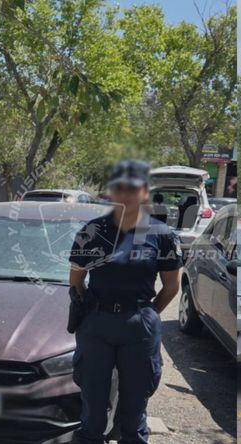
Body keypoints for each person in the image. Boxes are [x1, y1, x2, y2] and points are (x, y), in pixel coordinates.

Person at [68, 160, 183, 444]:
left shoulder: (161, 235)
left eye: (133, 188)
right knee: (93, 409)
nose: (126, 193)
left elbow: (171, 286)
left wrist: (145, 315)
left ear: (145, 192)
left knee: (134, 410)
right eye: (120, 187)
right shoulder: (92, 231)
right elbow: (76, 280)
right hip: (97, 324)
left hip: (138, 327)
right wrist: (91, 310)